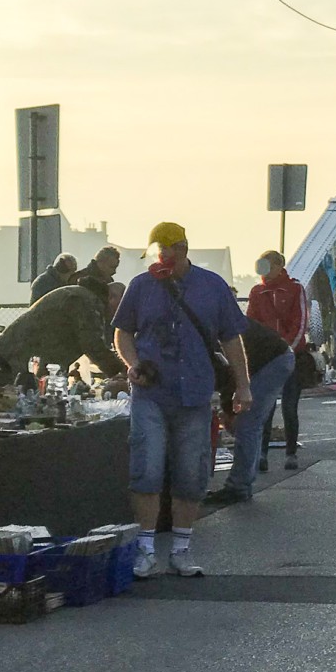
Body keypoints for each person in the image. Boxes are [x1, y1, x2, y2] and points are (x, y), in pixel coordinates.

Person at [113, 222, 251, 578]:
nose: (161, 261)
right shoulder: (141, 286)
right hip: (151, 394)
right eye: (157, 254)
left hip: (194, 395)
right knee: (146, 469)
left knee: (191, 473)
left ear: (183, 250)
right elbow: (122, 332)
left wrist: (243, 386)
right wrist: (132, 364)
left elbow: (231, 339)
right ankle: (146, 550)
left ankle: (181, 550)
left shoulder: (212, 287)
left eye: (167, 254)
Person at [203, 318, 295, 505]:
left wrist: (229, 411)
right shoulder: (211, 318)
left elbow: (228, 375)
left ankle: (239, 487)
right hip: (274, 357)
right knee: (250, 423)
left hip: (270, 360)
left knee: (247, 423)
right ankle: (244, 480)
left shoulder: (207, 332)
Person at [246, 250, 308, 472]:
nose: (265, 271)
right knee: (265, 407)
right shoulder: (257, 292)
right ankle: (262, 454)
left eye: (269, 266)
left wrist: (288, 348)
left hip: (292, 356)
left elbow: (300, 322)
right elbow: (251, 323)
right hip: (267, 358)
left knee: (289, 407)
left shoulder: (295, 289)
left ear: (280, 266)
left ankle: (291, 453)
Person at [0, 282, 128, 381]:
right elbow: (92, 344)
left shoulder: (84, 296)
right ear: (111, 298)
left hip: (21, 353)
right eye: (122, 306)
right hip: (19, 357)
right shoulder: (87, 302)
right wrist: (122, 371)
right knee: (19, 399)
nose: (121, 313)